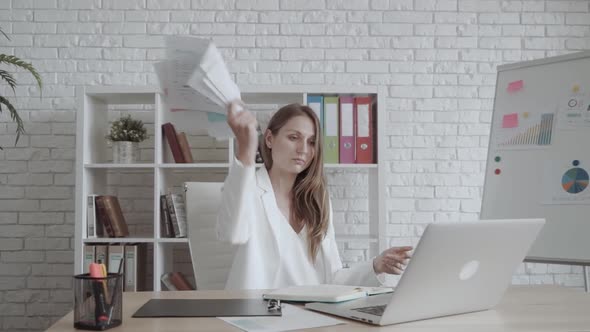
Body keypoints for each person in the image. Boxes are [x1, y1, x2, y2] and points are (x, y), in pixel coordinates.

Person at [216, 100, 412, 290]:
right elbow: (232, 233)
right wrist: (246, 151)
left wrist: (376, 265)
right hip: (258, 314)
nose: (303, 149)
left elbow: (332, 278)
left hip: (311, 311)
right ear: (269, 139)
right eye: (293, 137)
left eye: (311, 142)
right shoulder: (246, 189)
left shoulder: (317, 200)